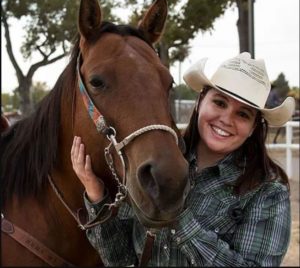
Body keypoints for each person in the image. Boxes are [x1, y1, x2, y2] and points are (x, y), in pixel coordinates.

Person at [71, 52, 295, 267]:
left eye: (243, 114)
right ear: (200, 102)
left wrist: (178, 215)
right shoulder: (158, 166)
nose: (226, 119)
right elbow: (119, 258)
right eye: (219, 102)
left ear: (253, 127)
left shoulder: (268, 192)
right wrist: (96, 192)